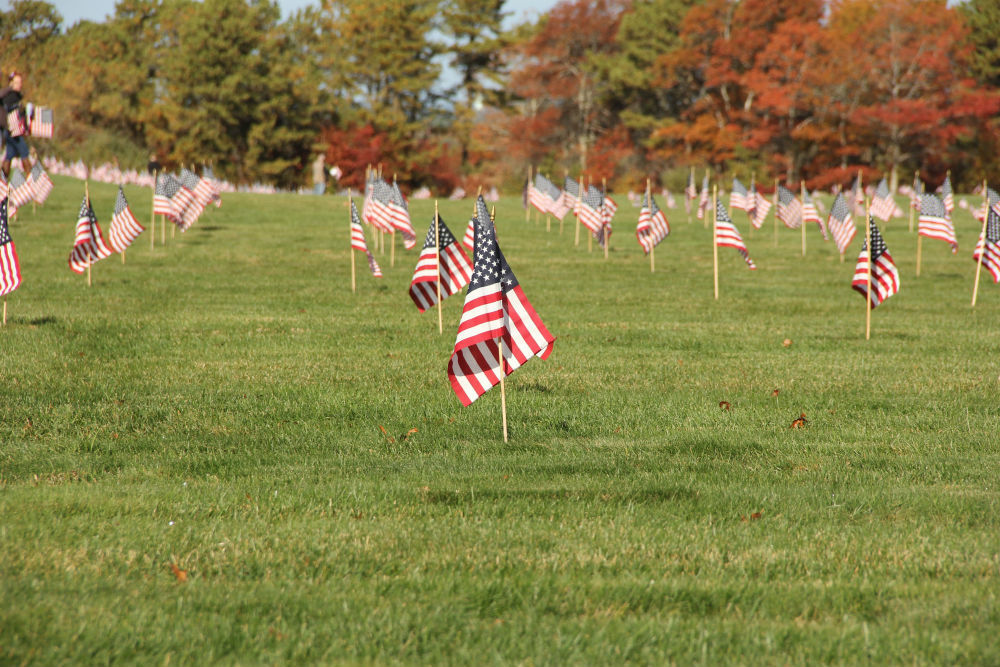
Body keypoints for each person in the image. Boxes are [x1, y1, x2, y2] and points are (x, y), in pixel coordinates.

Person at [0, 71, 33, 179]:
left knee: (9, 155)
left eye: (20, 82)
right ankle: (31, 181)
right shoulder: (9, 96)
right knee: (24, 152)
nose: (20, 84)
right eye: (17, 82)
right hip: (12, 130)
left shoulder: (17, 95)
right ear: (11, 83)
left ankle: (3, 183)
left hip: (14, 130)